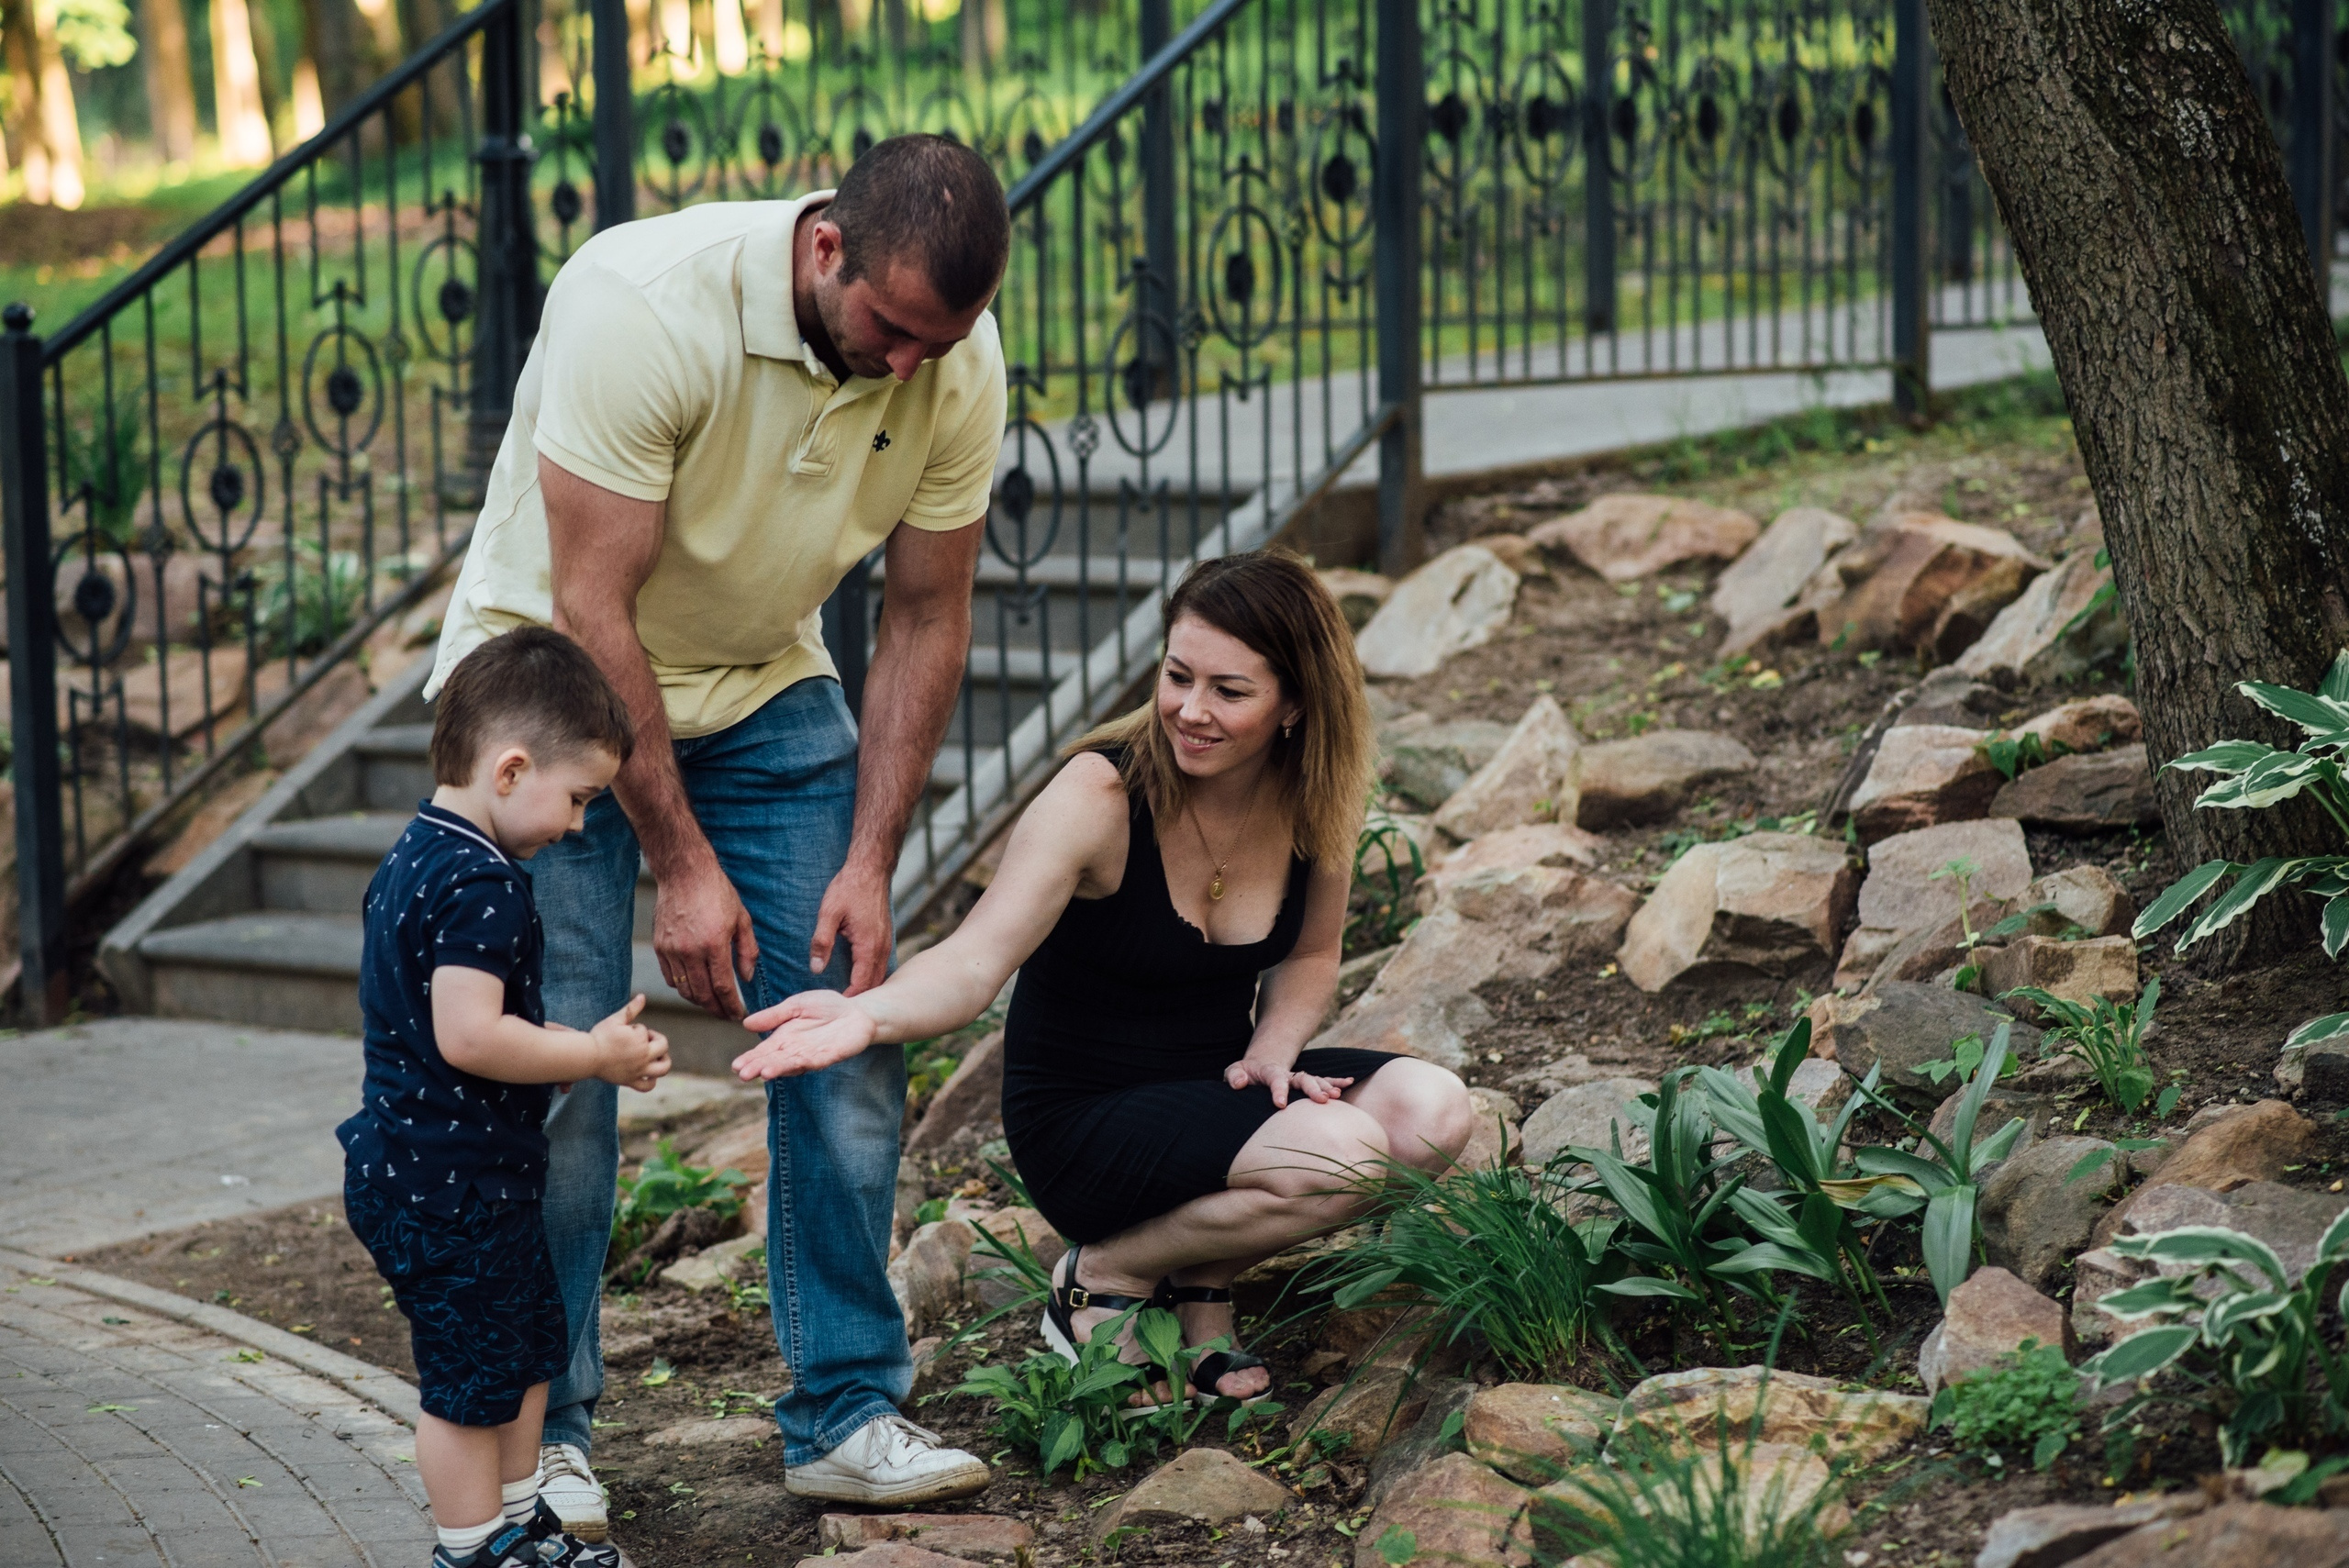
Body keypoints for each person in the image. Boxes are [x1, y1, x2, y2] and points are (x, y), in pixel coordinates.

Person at [426, 132, 1008, 1522]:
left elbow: (926, 613)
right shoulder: (644, 303)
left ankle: (847, 1409)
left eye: (944, 341)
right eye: (894, 330)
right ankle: (543, 1433)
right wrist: (681, 865)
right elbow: (593, 607)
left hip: (758, 684)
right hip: (545, 693)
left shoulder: (951, 362)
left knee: (848, 1025)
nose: (914, 367)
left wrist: (870, 859)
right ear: (826, 252)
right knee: (556, 1066)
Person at [733, 550, 1477, 1401]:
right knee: (1341, 1153)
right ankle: (1103, 1275)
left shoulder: (1314, 796)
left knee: (1433, 1113)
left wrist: (1273, 1050)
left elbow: (1310, 953)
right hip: (1085, 1125)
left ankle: (1201, 1283)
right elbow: (977, 958)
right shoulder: (1100, 793)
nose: (1191, 712)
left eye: (1230, 692)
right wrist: (869, 1014)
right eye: (1177, 676)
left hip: (1215, 1094)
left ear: (1296, 705)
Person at [338, 627, 674, 1568]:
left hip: (462, 1175)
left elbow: (460, 1030)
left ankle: (523, 1518)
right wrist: (593, 1051)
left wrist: (584, 1050)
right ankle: (471, 1543)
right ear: (511, 766)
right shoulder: (481, 881)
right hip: (444, 1188)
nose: (576, 825)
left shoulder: (417, 852)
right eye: (577, 799)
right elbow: (469, 1034)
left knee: (528, 1346)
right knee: (467, 1380)